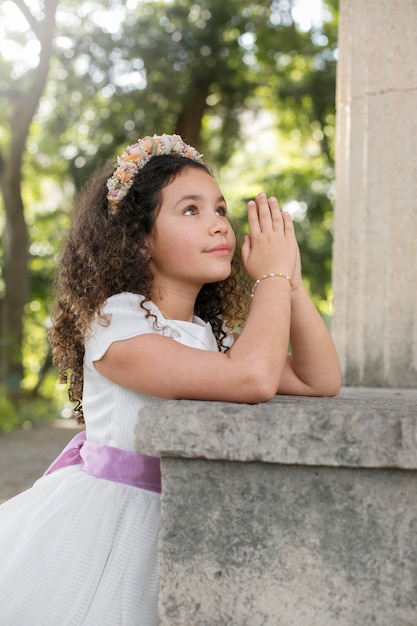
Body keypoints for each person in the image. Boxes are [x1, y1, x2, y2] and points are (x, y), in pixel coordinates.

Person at [0, 133, 341, 625]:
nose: (219, 224)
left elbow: (318, 379)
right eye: (190, 210)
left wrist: (290, 281)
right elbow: (252, 379)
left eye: (220, 209)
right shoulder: (116, 322)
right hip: (111, 529)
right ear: (140, 240)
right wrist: (269, 280)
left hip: (187, 521)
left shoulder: (208, 336)